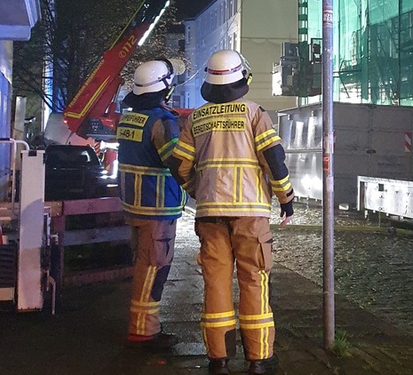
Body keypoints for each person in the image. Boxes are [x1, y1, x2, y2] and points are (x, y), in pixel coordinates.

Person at [172, 49, 294, 375]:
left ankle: (219, 360)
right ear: (241, 77)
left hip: (210, 213)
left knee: (216, 283)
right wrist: (286, 198)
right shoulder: (254, 113)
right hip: (251, 213)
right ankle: (258, 360)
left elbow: (179, 165)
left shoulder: (196, 119)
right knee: (254, 280)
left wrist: (198, 190)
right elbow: (274, 160)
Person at [117, 59, 188, 350]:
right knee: (154, 268)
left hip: (134, 204)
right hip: (157, 206)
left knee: (143, 264)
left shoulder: (129, 119)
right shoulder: (162, 122)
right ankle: (143, 331)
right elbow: (177, 163)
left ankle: (145, 326)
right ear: (165, 87)